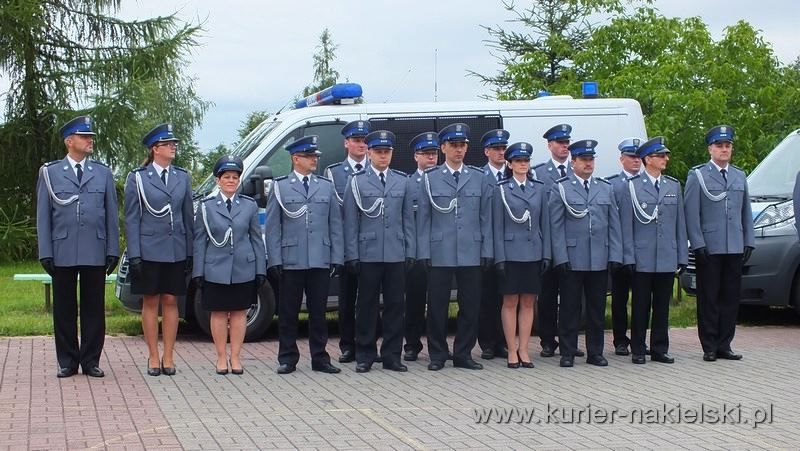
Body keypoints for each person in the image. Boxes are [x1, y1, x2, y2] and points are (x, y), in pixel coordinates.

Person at [36, 116, 120, 378]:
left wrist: (112, 249)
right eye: (85, 137)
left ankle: (91, 360)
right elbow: (43, 215)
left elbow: (110, 214)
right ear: (69, 141)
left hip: (95, 247)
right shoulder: (50, 173)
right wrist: (46, 251)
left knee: (94, 307)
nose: (90, 140)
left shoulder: (103, 173)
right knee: (64, 308)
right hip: (63, 248)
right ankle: (68, 361)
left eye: (91, 137)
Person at [417, 123, 493, 371]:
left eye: (462, 146)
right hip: (440, 250)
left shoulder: (478, 177)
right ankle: (438, 354)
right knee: (437, 306)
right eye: (454, 146)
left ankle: (463, 353)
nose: (459, 150)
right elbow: (424, 219)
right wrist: (423, 252)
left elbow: (485, 218)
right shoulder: (430, 178)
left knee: (470, 305)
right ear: (443, 148)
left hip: (471, 250)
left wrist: (487, 250)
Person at [266, 135, 344, 374]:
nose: (314, 160)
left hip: (319, 257)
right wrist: (275, 259)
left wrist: (337, 257)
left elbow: (335, 225)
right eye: (309, 156)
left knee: (319, 312)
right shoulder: (280, 186)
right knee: (289, 312)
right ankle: (287, 357)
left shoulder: (325, 186)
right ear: (295, 158)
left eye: (315, 157)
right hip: (292, 259)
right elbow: (273, 227)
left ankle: (320, 357)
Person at [124, 123, 193, 377]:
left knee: (171, 301)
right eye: (168, 144)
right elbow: (131, 218)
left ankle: (169, 355)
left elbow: (187, 216)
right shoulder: (138, 178)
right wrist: (135, 254)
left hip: (175, 249)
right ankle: (153, 356)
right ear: (155, 149)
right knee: (151, 301)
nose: (173, 147)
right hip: (149, 249)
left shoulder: (182, 177)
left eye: (174, 143)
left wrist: (190, 251)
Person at [343, 130, 415, 373]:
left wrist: (410, 251)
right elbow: (351, 222)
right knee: (366, 306)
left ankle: (392, 355)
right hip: (368, 252)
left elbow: (408, 221)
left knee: (396, 305)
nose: (383, 156)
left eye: (387, 152)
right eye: (378, 152)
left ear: (392, 154)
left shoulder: (402, 181)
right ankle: (365, 354)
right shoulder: (357, 181)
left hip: (395, 251)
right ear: (370, 153)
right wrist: (352, 254)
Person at [550, 139, 622, 367]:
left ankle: (595, 352)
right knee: (570, 308)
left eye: (591, 159)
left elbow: (614, 226)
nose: (588, 163)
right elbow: (556, 226)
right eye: (583, 159)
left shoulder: (605, 187)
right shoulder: (561, 187)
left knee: (596, 308)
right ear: (574, 162)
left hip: (599, 257)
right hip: (573, 257)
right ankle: (568, 352)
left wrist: (615, 255)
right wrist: (560, 256)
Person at [684, 125, 754, 362]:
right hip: (710, 247)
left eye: (727, 146)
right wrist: (697, 243)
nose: (724, 150)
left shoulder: (739, 175)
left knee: (730, 298)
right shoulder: (698, 176)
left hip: (734, 245)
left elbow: (746, 212)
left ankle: (725, 344)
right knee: (709, 297)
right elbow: (691, 213)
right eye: (719, 146)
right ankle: (710, 345)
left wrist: (749, 242)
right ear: (710, 149)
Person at [192, 156, 266, 375]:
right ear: (218, 180)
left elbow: (255, 239)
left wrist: (260, 269)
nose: (231, 181)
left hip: (243, 267)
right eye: (227, 177)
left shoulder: (249, 205)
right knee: (218, 313)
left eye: (235, 177)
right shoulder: (206, 207)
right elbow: (199, 240)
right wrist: (198, 271)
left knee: (239, 313)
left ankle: (235, 357)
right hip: (216, 268)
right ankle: (221, 357)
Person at [620, 137, 687, 364]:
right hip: (642, 256)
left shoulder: (673, 185)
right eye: (661, 156)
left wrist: (681, 255)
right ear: (648, 159)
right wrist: (628, 256)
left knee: (662, 306)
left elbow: (680, 224)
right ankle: (638, 348)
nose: (665, 159)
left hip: (666, 256)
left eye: (666, 155)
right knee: (640, 305)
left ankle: (660, 348)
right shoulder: (632, 186)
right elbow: (626, 226)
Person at [492, 142, 550, 368]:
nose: (523, 165)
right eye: (518, 161)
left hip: (533, 251)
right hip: (510, 252)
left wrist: (547, 254)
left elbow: (544, 223)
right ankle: (512, 350)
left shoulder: (539, 188)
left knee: (528, 301)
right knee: (510, 301)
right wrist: (499, 257)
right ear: (510, 163)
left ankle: (525, 349)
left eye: (526, 161)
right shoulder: (501, 189)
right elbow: (497, 225)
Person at [533, 124, 584, 358]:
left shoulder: (579, 172)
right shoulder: (538, 173)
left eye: (567, 142)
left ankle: (569, 341)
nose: (565, 146)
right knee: (547, 296)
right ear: (550, 145)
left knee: (572, 298)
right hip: (547, 243)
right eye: (560, 142)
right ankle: (547, 340)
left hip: (572, 244)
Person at [325, 120, 370, 364]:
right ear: (346, 143)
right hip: (346, 245)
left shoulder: (376, 168)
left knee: (369, 299)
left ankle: (367, 345)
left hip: (373, 244)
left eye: (364, 140)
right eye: (356, 140)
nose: (361, 144)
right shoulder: (334, 173)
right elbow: (334, 213)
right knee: (346, 299)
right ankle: (348, 346)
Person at [403, 132, 440, 362]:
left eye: (434, 154)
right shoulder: (409, 183)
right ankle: (412, 344)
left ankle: (438, 345)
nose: (431, 158)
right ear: (416, 156)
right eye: (426, 154)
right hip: (416, 251)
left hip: (440, 250)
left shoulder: (443, 180)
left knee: (438, 302)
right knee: (414, 301)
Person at [605, 137, 643, 356]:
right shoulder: (613, 185)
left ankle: (639, 339)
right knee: (620, 299)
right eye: (631, 156)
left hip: (643, 252)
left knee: (641, 299)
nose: (636, 161)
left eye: (638, 156)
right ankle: (620, 340)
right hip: (620, 252)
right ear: (622, 159)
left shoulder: (650, 182)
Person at [478, 129, 510, 361]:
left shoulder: (516, 174)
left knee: (507, 297)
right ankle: (487, 342)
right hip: (487, 244)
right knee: (487, 298)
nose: (501, 152)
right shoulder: (479, 177)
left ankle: (503, 343)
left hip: (511, 247)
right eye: (496, 149)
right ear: (487, 152)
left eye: (503, 148)